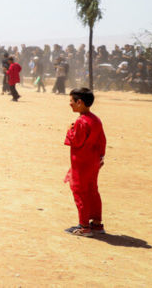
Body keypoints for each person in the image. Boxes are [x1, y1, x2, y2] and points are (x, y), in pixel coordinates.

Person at [64, 88, 106, 237]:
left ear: (79, 102)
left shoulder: (81, 121)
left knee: (80, 191)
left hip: (82, 162)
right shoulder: (95, 119)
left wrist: (70, 130)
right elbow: (102, 140)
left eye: (71, 101)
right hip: (93, 161)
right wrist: (101, 157)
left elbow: (76, 141)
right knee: (92, 191)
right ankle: (96, 224)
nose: (70, 104)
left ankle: (84, 226)